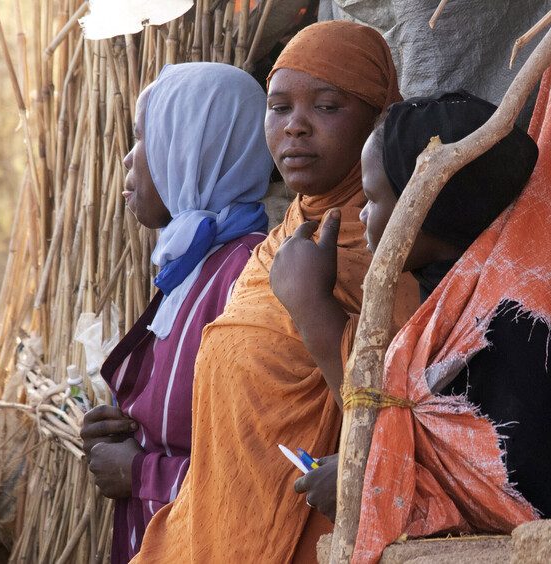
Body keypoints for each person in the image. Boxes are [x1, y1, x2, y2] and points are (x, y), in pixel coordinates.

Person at [132, 21, 418, 563]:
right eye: (279, 106)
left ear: (379, 120)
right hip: (222, 527)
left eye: (327, 107)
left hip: (305, 535)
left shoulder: (392, 253)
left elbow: (409, 418)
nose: (296, 128)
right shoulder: (284, 235)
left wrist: (314, 308)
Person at [285, 91, 551, 523]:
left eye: (373, 198)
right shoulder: (448, 309)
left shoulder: (511, 330)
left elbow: (516, 500)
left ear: (429, 207)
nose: (361, 215)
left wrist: (366, 483)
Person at [79, 62, 274, 564]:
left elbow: (265, 471)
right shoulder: (189, 262)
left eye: (145, 137)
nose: (128, 155)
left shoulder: (247, 275)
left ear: (189, 149)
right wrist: (125, 426)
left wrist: (141, 472)